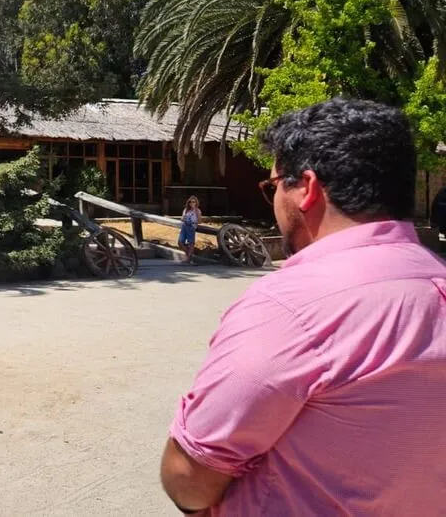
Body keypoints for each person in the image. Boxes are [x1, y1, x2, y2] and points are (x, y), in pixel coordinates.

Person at [159, 98, 446, 515]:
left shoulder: (292, 307)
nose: (272, 200)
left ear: (307, 189)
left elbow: (190, 479)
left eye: (273, 185)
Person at [178, 195, 200, 264]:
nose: (192, 203)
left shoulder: (197, 210)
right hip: (184, 226)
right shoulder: (186, 210)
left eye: (193, 202)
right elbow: (182, 218)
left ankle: (188, 258)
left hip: (191, 226)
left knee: (191, 243)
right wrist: (183, 219)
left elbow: (199, 221)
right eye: (190, 202)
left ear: (196, 203)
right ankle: (189, 256)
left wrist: (193, 221)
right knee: (180, 242)